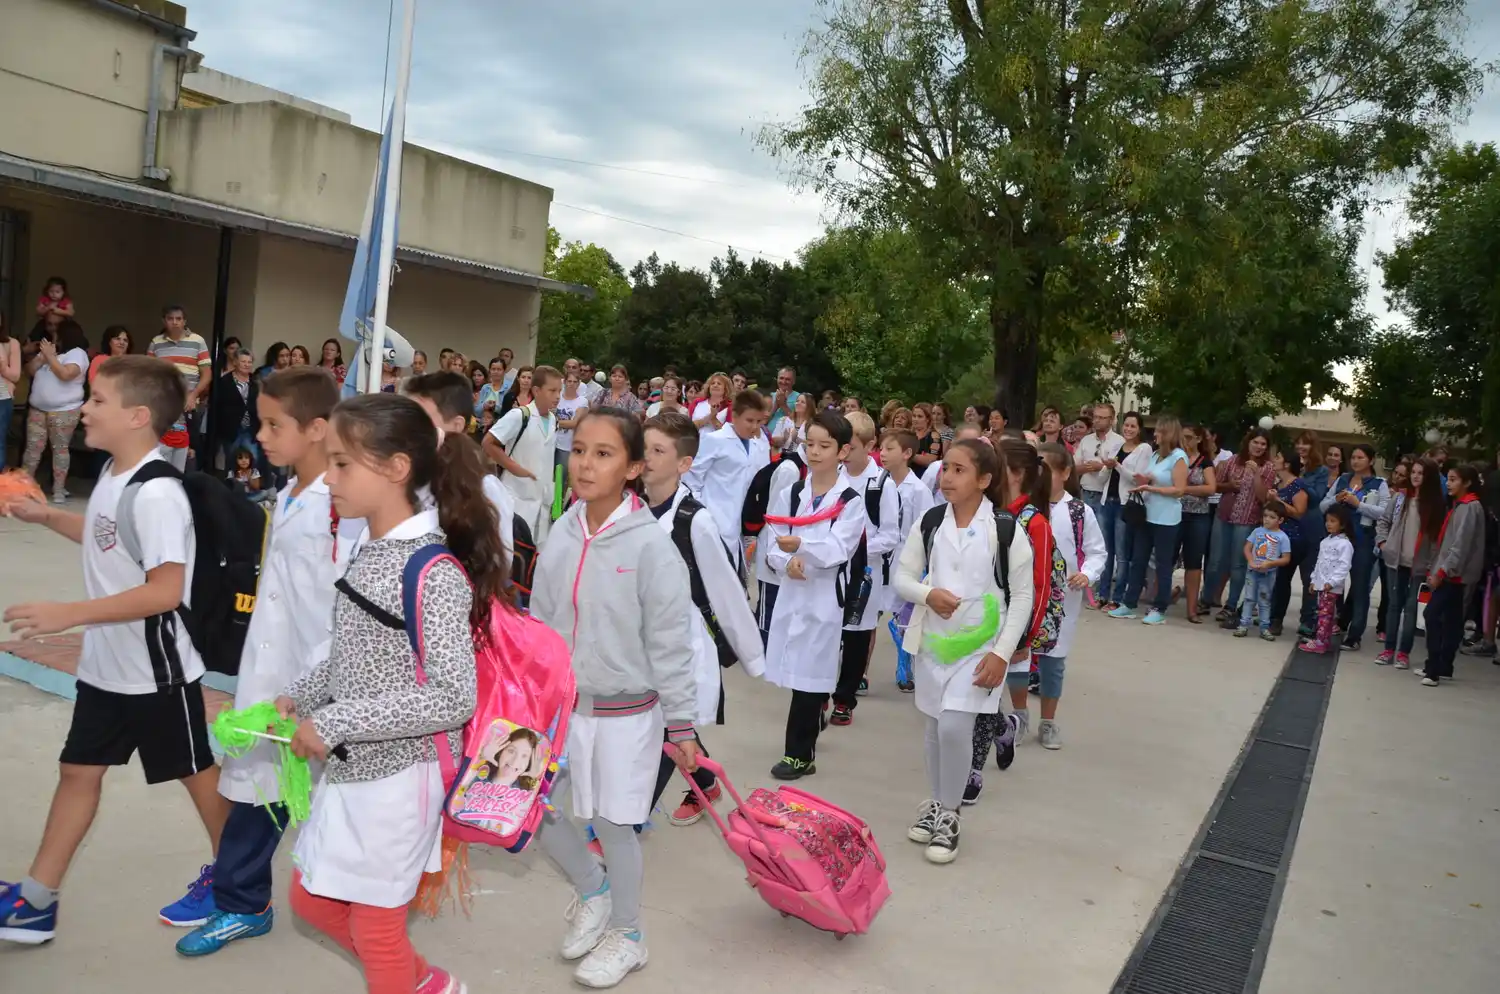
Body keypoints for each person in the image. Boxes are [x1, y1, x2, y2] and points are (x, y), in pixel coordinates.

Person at [1, 355, 227, 945]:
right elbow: (107, 535)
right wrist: (47, 514)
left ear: (137, 416)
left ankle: (239, 888)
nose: (84, 407)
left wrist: (66, 615)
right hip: (108, 666)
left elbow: (164, 590)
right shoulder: (112, 476)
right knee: (78, 771)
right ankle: (36, 899)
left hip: (157, 672)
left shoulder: (158, 493)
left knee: (199, 776)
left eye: (97, 400)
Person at [280, 393, 497, 994]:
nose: (329, 478)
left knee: (376, 935)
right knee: (312, 902)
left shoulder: (432, 570)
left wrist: (338, 721)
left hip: (399, 781)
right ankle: (428, 984)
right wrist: (300, 695)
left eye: (343, 464)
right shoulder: (370, 547)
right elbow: (353, 655)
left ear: (397, 468)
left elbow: (455, 696)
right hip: (353, 772)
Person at [171, 366, 351, 955]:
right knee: (256, 788)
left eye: (276, 425)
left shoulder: (340, 506)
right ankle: (243, 901)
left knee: (340, 800)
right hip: (273, 678)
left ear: (319, 428)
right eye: (261, 423)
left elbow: (339, 605)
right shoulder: (294, 492)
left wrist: (316, 686)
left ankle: (367, 904)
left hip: (318, 682)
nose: (263, 436)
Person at [529, 407, 699, 987]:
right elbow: (542, 623)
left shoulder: (651, 546)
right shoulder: (561, 530)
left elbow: (673, 642)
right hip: (561, 711)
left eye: (603, 454)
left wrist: (682, 725)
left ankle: (628, 933)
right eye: (578, 450)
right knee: (528, 803)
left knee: (614, 824)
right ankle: (592, 888)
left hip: (627, 714)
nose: (584, 464)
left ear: (631, 468)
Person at [894, 438, 1034, 863]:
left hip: (982, 647)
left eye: (958, 470)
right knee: (936, 728)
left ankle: (951, 814)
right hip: (935, 644)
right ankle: (937, 802)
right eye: (945, 468)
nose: (946, 476)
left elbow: (1023, 597)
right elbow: (902, 577)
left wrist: (1002, 653)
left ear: (984, 480)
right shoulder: (930, 522)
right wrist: (926, 593)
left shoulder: (1006, 531)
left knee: (956, 726)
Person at [640, 411, 765, 827]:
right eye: (645, 447)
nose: (648, 457)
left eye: (659, 450)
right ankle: (705, 778)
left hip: (681, 643)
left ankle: (629, 820)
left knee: (661, 730)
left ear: (684, 464)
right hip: (632, 644)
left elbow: (726, 593)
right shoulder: (627, 509)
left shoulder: (697, 521)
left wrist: (752, 656)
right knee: (659, 727)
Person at [761, 411, 867, 781]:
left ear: (844, 451)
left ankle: (798, 754)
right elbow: (772, 540)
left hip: (824, 597)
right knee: (797, 673)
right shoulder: (793, 492)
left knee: (810, 674)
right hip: (793, 593)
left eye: (825, 445)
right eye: (810, 444)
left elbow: (840, 548)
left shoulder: (850, 499)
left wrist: (800, 546)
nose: (815, 452)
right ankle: (803, 744)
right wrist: (784, 561)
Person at [968, 437, 1054, 800]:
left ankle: (971, 771)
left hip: (1007, 625)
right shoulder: (983, 512)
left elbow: (1039, 585)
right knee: (976, 691)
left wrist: (1023, 638)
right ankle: (1003, 727)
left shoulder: (1034, 523)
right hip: (975, 619)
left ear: (1015, 474)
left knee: (981, 694)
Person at [828, 411, 901, 724]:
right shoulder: (831, 476)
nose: (845, 453)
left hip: (865, 574)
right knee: (828, 632)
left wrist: (857, 548)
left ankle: (844, 700)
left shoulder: (881, 484)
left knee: (857, 636)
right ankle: (818, 694)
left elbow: (890, 535)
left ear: (870, 445)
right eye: (841, 446)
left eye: (852, 446)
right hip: (831, 570)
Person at [1035, 444, 1106, 748]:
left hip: (1062, 600)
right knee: (1017, 658)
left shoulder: (1079, 511)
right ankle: (1018, 716)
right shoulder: (1024, 507)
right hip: (1025, 596)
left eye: (1047, 470)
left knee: (1053, 660)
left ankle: (1048, 721)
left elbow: (1096, 551)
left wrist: (1087, 574)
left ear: (1065, 473)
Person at [402, 371, 515, 557]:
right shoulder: (403, 476)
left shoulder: (484, 489)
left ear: (456, 425)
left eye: (421, 420)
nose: (408, 429)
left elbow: (497, 563)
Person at [1112, 416, 1187, 625]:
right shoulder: (1156, 455)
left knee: (1163, 565)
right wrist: (1144, 481)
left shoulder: (1179, 457)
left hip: (1167, 518)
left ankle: (1159, 607)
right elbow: (1150, 477)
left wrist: (1151, 488)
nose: (1155, 435)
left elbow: (1180, 489)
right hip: (1147, 514)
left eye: (1159, 432)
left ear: (1169, 433)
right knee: (1138, 560)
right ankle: (1129, 603)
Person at [682, 390, 771, 567]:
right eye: (749, 420)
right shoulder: (714, 440)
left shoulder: (758, 443)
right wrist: (704, 511)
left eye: (758, 421)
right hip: (714, 520)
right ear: (735, 416)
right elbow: (690, 478)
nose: (754, 426)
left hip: (742, 524)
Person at [878, 428, 936, 692]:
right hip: (881, 557)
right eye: (881, 448)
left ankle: (904, 668)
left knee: (903, 615)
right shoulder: (878, 482)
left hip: (906, 559)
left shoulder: (919, 490)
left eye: (889, 449)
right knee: (872, 612)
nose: (882, 454)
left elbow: (924, 531)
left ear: (907, 454)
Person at [1419, 464, 1484, 686]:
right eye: (1448, 478)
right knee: (1453, 620)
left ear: (1466, 482)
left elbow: (1461, 546)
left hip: (1454, 575)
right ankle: (1444, 665)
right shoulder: (1460, 505)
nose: (1449, 483)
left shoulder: (1469, 507)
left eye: (1454, 479)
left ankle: (1433, 669)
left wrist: (1442, 571)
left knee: (1432, 615)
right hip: (1453, 573)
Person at [483, 365, 562, 549]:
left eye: (560, 391)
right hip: (517, 496)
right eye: (552, 390)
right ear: (536, 390)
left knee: (536, 553)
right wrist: (514, 468)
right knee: (512, 549)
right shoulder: (519, 415)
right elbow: (488, 442)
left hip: (542, 499)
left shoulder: (553, 421)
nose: (558, 396)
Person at [1319, 443, 1387, 651]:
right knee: (1331, 583)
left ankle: (1355, 634)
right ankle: (1329, 625)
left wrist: (1359, 505)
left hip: (1363, 540)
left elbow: (1384, 512)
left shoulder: (1379, 483)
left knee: (1360, 587)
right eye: (1354, 458)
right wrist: (1336, 501)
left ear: (1371, 460)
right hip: (1338, 541)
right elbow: (1323, 506)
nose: (1356, 461)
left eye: (1361, 458)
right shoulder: (1343, 479)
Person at [1374, 456, 1440, 669]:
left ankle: (1404, 652)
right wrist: (1384, 544)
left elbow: (1438, 539)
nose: (1415, 476)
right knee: (1394, 605)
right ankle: (1388, 649)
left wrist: (1432, 565)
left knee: (1411, 608)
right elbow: (1383, 521)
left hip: (1419, 566)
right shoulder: (1401, 498)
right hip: (1396, 561)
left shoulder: (1434, 505)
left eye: (1421, 473)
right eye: (1414, 472)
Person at [1205, 429, 1276, 626]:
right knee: (1216, 561)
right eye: (1256, 442)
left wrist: (1255, 475)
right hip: (1224, 516)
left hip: (1247, 520)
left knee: (1238, 565)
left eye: (1263, 444)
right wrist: (1229, 485)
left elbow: (1263, 498)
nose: (1259, 447)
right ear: (1248, 442)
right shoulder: (1233, 460)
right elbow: (1216, 486)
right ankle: (1206, 599)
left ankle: (1231, 605)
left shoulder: (1268, 468)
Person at [22, 318, 89, 502]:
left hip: (64, 411)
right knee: (32, 450)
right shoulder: (50, 353)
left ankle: (58, 490)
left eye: (56, 332)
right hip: (38, 409)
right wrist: (41, 358)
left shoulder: (77, 354)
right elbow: (29, 371)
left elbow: (67, 375)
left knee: (59, 449)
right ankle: (23, 488)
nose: (53, 335)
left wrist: (50, 357)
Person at [147, 306, 212, 472]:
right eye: (170, 319)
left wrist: (193, 395)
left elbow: (207, 374)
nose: (175, 322)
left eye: (178, 319)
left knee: (189, 454)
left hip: (189, 406)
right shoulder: (156, 343)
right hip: (164, 408)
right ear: (164, 321)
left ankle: (185, 494)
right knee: (161, 452)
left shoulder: (197, 341)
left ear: (184, 321)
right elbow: (149, 375)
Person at [1104, 412, 1152, 609]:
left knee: (1122, 554)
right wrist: (1107, 466)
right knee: (1107, 551)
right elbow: (1107, 472)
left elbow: (1137, 478)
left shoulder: (1144, 449)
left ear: (1140, 429)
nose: (1129, 429)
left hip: (1126, 503)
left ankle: (1118, 597)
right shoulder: (1117, 446)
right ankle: (1102, 594)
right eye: (1126, 425)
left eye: (1133, 426)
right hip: (1109, 499)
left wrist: (1117, 466)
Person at [1074, 404, 1122, 598]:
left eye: (1102, 418)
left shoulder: (1118, 441)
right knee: (1082, 540)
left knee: (1103, 543)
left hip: (1105, 495)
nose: (1097, 421)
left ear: (1112, 419)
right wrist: (1090, 467)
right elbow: (1074, 467)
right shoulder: (1086, 441)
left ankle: (1103, 589)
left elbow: (1116, 466)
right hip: (1086, 492)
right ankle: (1085, 582)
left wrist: (1100, 466)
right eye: (1095, 417)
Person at [1292, 431, 1333, 635]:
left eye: (1305, 444)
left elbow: (1317, 497)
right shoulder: (1290, 468)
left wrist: (1300, 480)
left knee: (1309, 577)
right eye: (1298, 443)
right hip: (1290, 524)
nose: (1301, 447)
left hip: (1311, 526)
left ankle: (1307, 620)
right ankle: (1273, 616)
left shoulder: (1321, 471)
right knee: (1282, 574)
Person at [1266, 450, 1311, 636]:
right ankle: (1269, 614)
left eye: (1278, 457)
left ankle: (1276, 619)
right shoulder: (1279, 483)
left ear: (1287, 464)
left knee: (1282, 578)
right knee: (1274, 578)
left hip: (1293, 539)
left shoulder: (1298, 485)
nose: (1274, 461)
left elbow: (1299, 512)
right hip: (1277, 536)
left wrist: (1278, 501)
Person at [1299, 505, 1355, 655]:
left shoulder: (1345, 544)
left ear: (1342, 524)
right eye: (1327, 520)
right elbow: (1319, 563)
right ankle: (1323, 640)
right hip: (1321, 585)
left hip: (1330, 587)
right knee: (1323, 613)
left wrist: (1333, 582)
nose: (1328, 524)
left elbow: (1344, 566)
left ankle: (1320, 642)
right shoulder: (1325, 542)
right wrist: (1313, 580)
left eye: (1333, 521)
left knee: (1325, 615)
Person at [1178, 424, 1218, 623]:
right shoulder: (1176, 457)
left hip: (1197, 516)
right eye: (1183, 437)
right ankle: (1158, 601)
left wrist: (1184, 489)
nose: (1185, 441)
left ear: (1199, 439)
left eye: (1189, 437)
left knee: (1193, 563)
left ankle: (1192, 609)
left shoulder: (1205, 462)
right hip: (1174, 514)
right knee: (1166, 558)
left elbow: (1211, 488)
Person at [1235, 504, 1292, 639]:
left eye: (1272, 517)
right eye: (1265, 516)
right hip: (1252, 571)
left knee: (1264, 600)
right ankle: (1244, 624)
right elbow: (1247, 548)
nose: (1267, 519)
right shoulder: (1257, 532)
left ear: (1280, 520)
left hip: (1268, 573)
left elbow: (1286, 559)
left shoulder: (1282, 537)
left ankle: (1264, 627)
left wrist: (1271, 563)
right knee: (1249, 598)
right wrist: (1251, 561)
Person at [212, 351, 263, 474]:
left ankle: (250, 490)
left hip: (250, 429)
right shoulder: (224, 382)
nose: (247, 365)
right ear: (235, 362)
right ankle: (233, 490)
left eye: (249, 362)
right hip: (231, 430)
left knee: (252, 461)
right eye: (243, 361)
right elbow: (217, 406)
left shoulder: (256, 383)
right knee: (232, 463)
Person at [554, 368, 588, 490]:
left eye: (575, 381)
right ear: (564, 382)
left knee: (560, 478)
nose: (572, 384)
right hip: (551, 441)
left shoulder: (582, 401)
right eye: (569, 381)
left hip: (566, 445)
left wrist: (555, 422)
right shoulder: (557, 397)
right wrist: (561, 422)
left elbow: (575, 423)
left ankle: (557, 506)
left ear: (579, 384)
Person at [0, 312, 17, 471]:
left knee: (0, 442)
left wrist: (3, 368)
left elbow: (16, 375)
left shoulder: (10, 343)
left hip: (2, 398)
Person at [767, 366, 800, 445]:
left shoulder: (799, 398)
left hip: (787, 443)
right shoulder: (770, 396)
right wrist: (776, 405)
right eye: (781, 378)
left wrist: (783, 405)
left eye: (787, 379)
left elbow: (799, 421)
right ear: (777, 379)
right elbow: (763, 420)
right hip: (768, 440)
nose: (783, 381)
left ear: (794, 381)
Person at [911, 403, 942, 472]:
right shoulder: (908, 434)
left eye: (920, 416)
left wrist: (907, 454)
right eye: (914, 416)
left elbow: (930, 460)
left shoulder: (934, 436)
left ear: (928, 419)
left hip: (926, 476)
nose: (915, 419)